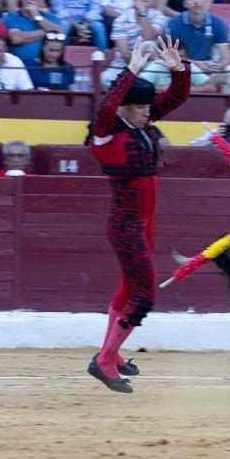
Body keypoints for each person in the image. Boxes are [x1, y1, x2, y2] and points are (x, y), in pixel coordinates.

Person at [86, 37, 190, 394]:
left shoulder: (142, 124)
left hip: (144, 223)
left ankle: (109, 354)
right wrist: (130, 69)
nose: (149, 111)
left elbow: (176, 98)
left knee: (130, 288)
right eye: (141, 106)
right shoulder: (105, 131)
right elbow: (106, 106)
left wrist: (178, 71)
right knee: (145, 295)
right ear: (124, 108)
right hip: (126, 223)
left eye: (148, 106)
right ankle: (104, 360)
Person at [165, 0, 230, 94]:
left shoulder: (217, 23)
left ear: (205, 1)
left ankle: (229, 109)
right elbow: (170, 56)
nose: (196, 2)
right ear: (185, 4)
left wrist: (215, 67)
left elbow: (226, 57)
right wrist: (196, 64)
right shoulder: (174, 24)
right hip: (181, 69)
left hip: (207, 70)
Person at [108, 0, 167, 81]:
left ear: (153, 1)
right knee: (105, 78)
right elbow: (125, 55)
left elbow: (149, 37)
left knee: (149, 44)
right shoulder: (121, 20)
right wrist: (142, 55)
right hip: (124, 65)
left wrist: (142, 13)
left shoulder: (158, 16)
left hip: (150, 65)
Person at [5, 0, 70, 62]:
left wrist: (38, 17)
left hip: (45, 64)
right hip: (20, 64)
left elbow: (60, 33)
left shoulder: (51, 17)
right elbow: (16, 38)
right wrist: (48, 32)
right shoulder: (13, 16)